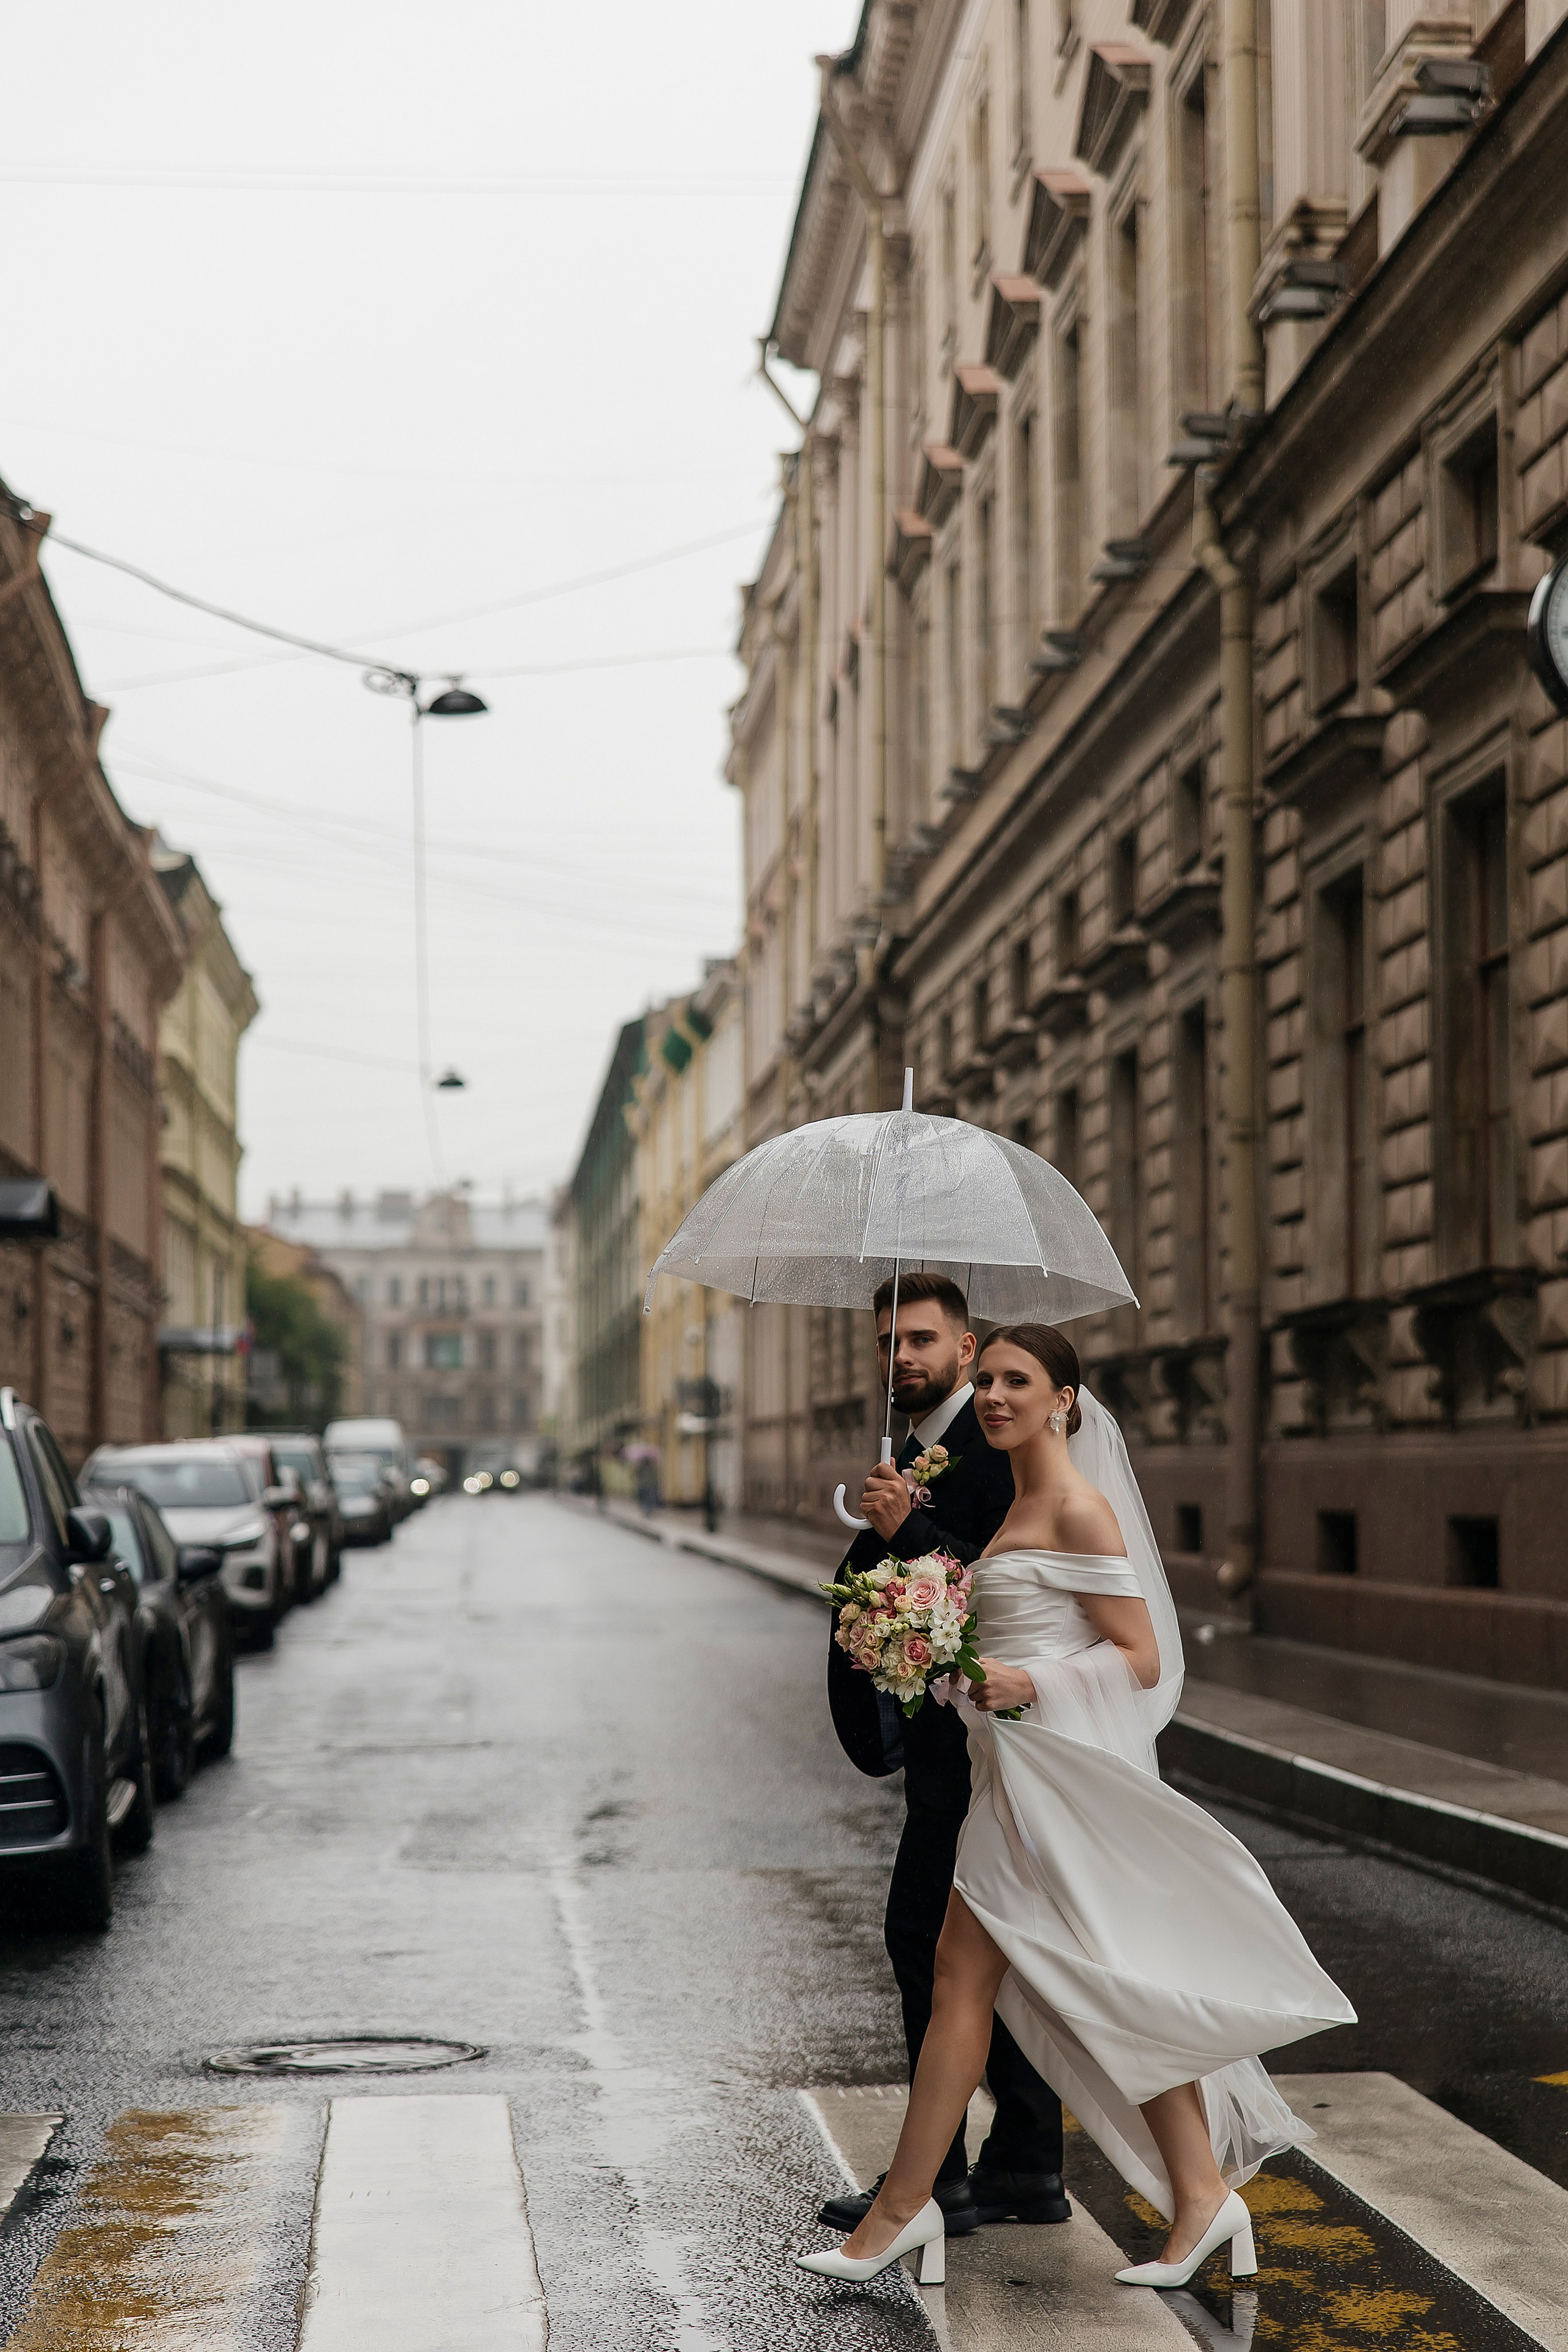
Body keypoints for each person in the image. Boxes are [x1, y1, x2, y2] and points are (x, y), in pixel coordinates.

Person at [801, 1321, 1355, 2295]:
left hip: (1061, 1778)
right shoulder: (1019, 1503)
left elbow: (1139, 1656)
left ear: (1066, 1400)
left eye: (1020, 1382)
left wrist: (1031, 1680)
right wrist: (928, 1641)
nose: (998, 1398)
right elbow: (1005, 1623)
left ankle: (907, 2211)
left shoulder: (1079, 1507)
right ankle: (1181, 2197)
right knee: (980, 1982)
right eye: (990, 1385)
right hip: (1011, 1777)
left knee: (1046, 1981)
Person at [821, 1272, 1069, 2241]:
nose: (902, 1358)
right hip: (945, 1747)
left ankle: (944, 2180)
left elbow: (1002, 1579)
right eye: (888, 1342)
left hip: (982, 1752)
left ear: (966, 1350)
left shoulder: (994, 1432)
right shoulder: (920, 1446)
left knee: (929, 1948)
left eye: (921, 1340)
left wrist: (905, 1530)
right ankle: (1024, 2164)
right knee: (968, 1957)